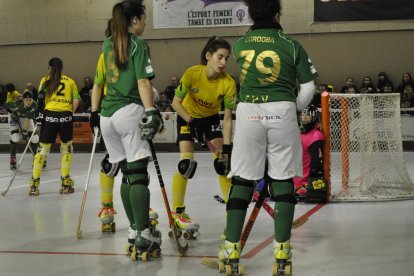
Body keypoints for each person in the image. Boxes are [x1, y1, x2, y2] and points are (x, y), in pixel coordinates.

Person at [218, 0, 318, 273]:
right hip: (281, 111)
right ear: (277, 14)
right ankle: (282, 254)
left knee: (242, 180)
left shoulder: (239, 45)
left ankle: (230, 250)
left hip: (249, 112)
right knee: (283, 180)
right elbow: (309, 87)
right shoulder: (291, 45)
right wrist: (292, 107)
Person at [89, 0, 163, 258]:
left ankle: (133, 230)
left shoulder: (106, 44)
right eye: (143, 19)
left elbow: (98, 84)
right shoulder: (137, 44)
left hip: (107, 116)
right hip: (128, 112)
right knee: (139, 175)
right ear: (134, 20)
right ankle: (144, 234)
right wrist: (152, 111)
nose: (144, 24)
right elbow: (142, 81)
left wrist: (94, 112)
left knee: (127, 175)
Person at [170, 36, 237, 239]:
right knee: (186, 165)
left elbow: (227, 119)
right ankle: (178, 214)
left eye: (226, 58)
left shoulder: (228, 83)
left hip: (210, 120)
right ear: (208, 56)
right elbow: (175, 103)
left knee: (223, 166)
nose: (223, 63)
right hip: (187, 118)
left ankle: (231, 216)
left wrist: (226, 148)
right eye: (219, 57)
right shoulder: (193, 73)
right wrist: (191, 121)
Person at [28, 57, 80, 196]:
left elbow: (39, 99)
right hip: (66, 115)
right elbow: (75, 102)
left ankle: (34, 184)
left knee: (43, 149)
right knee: (66, 148)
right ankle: (65, 182)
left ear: (50, 68)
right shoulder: (70, 81)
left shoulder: (45, 80)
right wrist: (69, 113)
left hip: (49, 115)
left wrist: (39, 115)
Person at [293, 105, 325, 201]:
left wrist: (313, 186)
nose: (304, 118)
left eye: (307, 115)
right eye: (302, 115)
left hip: (304, 183)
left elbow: (317, 164)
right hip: (293, 179)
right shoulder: (299, 133)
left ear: (313, 118)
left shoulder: (316, 136)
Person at [4, 90, 39, 170]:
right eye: (26, 100)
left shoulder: (34, 105)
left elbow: (27, 119)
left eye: (30, 99)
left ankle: (36, 157)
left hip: (26, 118)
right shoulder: (16, 104)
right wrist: (11, 112)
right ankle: (12, 158)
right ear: (23, 99)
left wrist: (25, 131)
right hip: (14, 119)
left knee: (34, 138)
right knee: (15, 137)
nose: (28, 102)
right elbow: (5, 106)